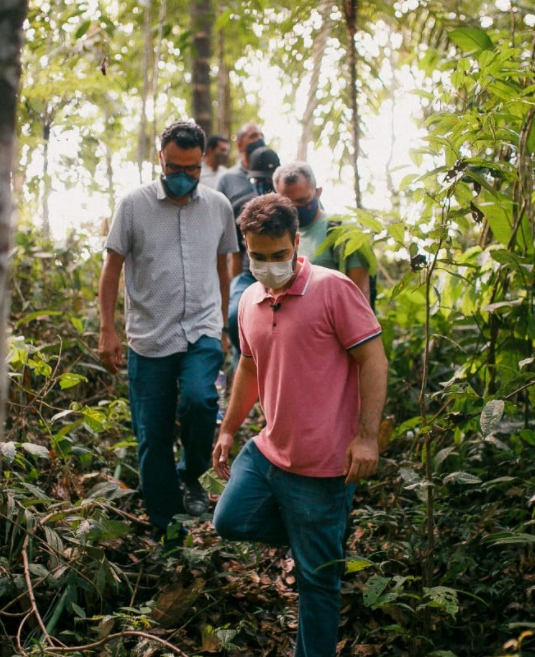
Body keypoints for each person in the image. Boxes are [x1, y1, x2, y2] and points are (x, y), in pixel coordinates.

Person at [212, 193, 387, 657]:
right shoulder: (249, 299)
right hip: (270, 451)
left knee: (317, 584)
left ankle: (320, 544)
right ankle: (318, 536)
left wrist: (367, 437)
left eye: (279, 255)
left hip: (322, 466)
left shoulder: (333, 289)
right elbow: (248, 366)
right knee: (229, 519)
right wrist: (229, 427)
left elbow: (373, 359)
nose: (269, 266)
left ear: (296, 242)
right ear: (245, 248)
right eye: (258, 256)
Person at [98, 120, 237, 545]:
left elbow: (223, 267)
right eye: (174, 166)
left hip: (202, 329)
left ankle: (192, 475)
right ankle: (167, 525)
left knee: (201, 400)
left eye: (192, 168)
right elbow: (112, 268)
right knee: (152, 434)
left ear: (202, 161)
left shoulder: (218, 206)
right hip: (150, 336)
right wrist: (107, 329)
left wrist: (224, 324)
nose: (183, 175)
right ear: (160, 158)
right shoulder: (133, 205)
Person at [272, 161, 374, 304]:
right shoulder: (277, 236)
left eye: (302, 200)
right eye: (287, 202)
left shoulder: (344, 230)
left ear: (318, 193)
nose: (295, 208)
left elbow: (361, 297)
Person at [224, 145, 279, 363]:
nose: (264, 186)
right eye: (259, 181)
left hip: (281, 271)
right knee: (235, 316)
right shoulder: (241, 207)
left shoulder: (287, 206)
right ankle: (244, 362)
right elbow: (236, 254)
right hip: (249, 274)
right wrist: (236, 283)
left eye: (269, 181)